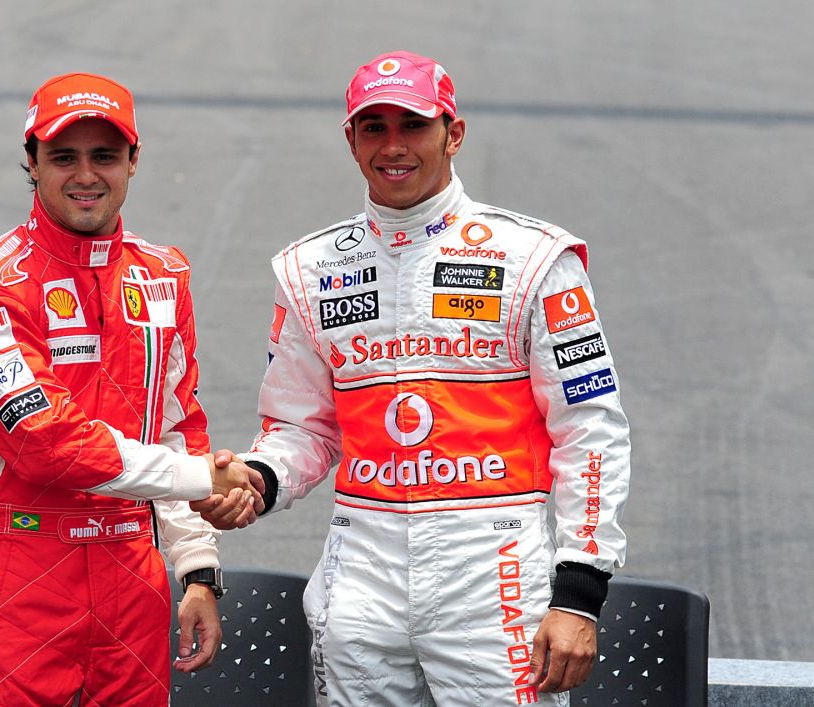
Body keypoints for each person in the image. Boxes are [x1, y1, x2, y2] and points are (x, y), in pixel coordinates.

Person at [195, 51, 631, 706]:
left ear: (453, 133)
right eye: (374, 127)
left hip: (495, 581)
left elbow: (591, 429)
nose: (393, 146)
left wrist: (579, 593)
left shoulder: (532, 258)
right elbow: (299, 427)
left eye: (414, 125)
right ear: (351, 139)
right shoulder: (309, 269)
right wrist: (260, 480)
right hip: (362, 577)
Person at [0, 72, 261, 707]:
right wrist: (199, 478)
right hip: (19, 585)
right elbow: (48, 444)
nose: (85, 175)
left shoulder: (163, 277)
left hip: (134, 578)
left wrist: (198, 570)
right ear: (32, 163)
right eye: (62, 157)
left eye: (104, 155)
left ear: (133, 160)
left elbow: (178, 427)